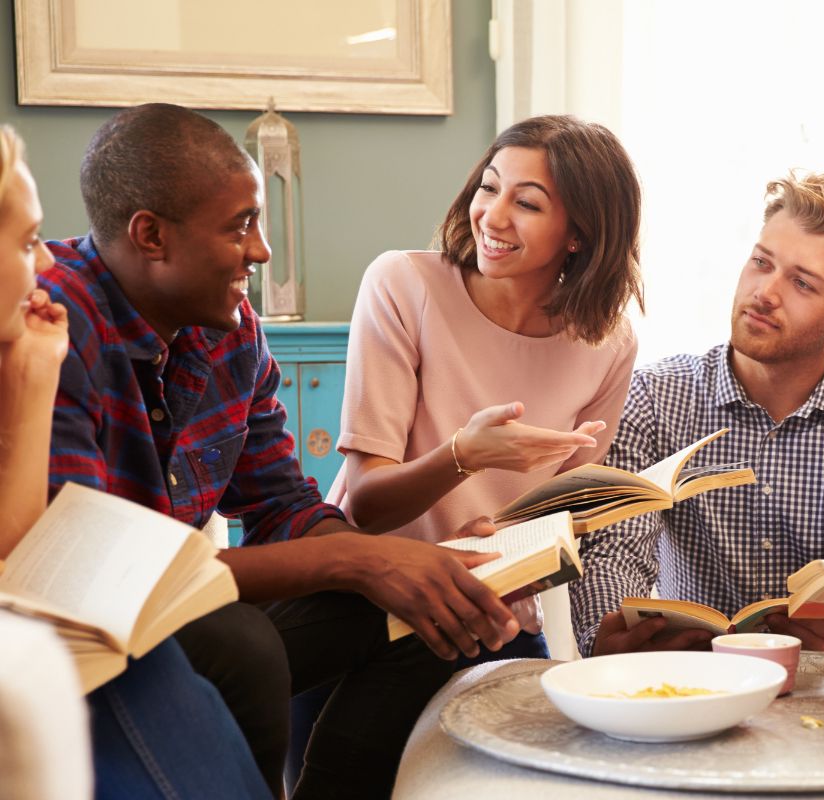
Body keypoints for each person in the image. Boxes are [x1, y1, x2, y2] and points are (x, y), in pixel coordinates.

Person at [40, 103, 520, 800]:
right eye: (240, 226)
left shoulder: (230, 330)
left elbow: (280, 503)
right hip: (84, 632)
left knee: (426, 609)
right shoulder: (54, 325)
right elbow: (99, 579)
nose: (262, 250)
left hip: (171, 606)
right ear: (151, 236)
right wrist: (354, 554)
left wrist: (397, 563)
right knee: (241, 644)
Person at [0, 124, 271, 799]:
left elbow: (18, 561)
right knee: (184, 662)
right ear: (151, 235)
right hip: (79, 621)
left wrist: (33, 382)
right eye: (27, 241)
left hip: (75, 612)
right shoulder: (72, 312)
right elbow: (51, 582)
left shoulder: (33, 343)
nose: (45, 266)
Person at [569, 171, 824, 658]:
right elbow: (617, 548)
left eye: (802, 283)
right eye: (761, 263)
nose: (765, 292)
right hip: (685, 681)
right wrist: (606, 629)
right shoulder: (652, 395)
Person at [328, 115, 642, 662]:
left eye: (527, 203)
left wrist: (502, 540)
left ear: (579, 235)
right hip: (372, 592)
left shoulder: (609, 345)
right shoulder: (403, 285)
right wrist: (462, 457)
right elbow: (368, 505)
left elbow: (559, 517)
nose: (491, 216)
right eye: (489, 187)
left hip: (489, 605)